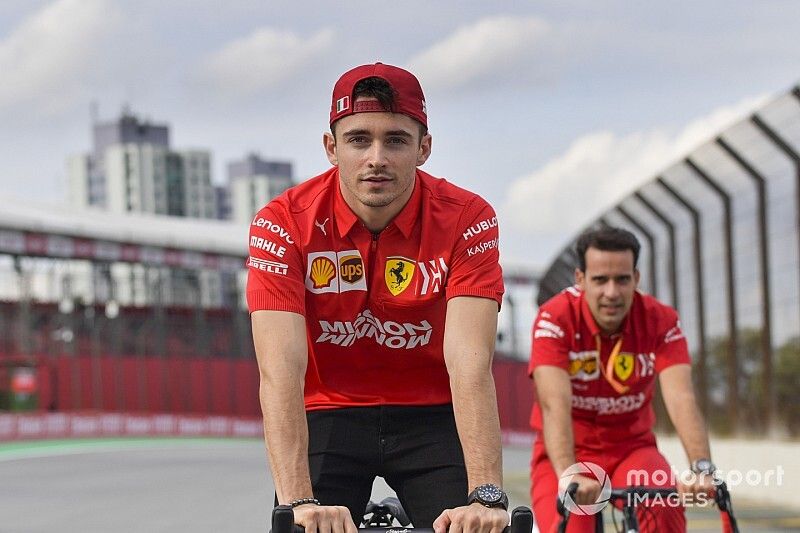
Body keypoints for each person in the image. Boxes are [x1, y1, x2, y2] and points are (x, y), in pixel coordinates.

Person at [246, 62, 510, 533]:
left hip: (432, 414)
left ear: (423, 149)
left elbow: (470, 362)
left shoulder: (469, 216)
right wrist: (299, 501)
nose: (376, 158)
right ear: (331, 148)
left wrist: (487, 496)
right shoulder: (282, 221)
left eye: (395, 140)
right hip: (329, 410)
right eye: (358, 139)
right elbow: (279, 370)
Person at [528, 227, 717, 532]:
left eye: (622, 279)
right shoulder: (555, 317)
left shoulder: (662, 319)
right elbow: (553, 405)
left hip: (633, 449)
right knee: (570, 520)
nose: (612, 293)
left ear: (636, 279)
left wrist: (702, 467)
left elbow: (682, 397)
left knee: (664, 508)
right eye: (600, 280)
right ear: (580, 279)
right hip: (569, 451)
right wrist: (567, 472)